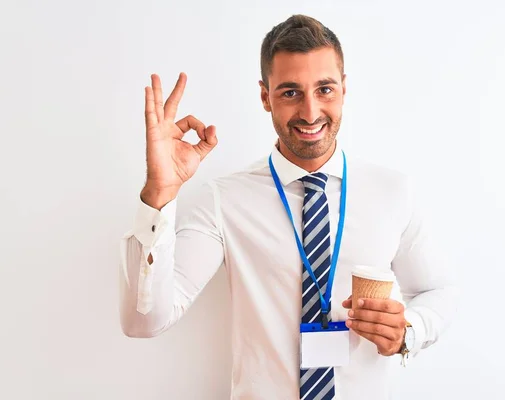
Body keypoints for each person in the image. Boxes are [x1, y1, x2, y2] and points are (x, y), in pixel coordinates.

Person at [119, 14, 458, 400]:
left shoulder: (393, 191)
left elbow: (439, 291)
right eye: (290, 92)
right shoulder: (223, 200)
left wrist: (407, 331)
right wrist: (159, 194)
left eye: (325, 89)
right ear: (265, 97)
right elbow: (142, 322)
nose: (311, 113)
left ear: (344, 89)